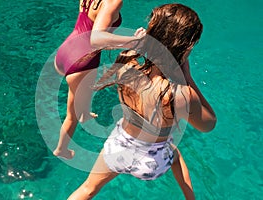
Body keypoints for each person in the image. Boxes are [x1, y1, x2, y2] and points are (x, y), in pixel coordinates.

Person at [67, 3, 216, 200]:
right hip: (151, 164)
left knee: (88, 189)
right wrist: (187, 78)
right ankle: (190, 197)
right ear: (186, 48)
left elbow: (100, 41)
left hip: (118, 148)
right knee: (175, 154)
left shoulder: (126, 63)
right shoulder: (180, 95)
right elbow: (208, 124)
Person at [53, 0, 146, 159]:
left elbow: (92, 33)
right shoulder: (114, 2)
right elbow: (96, 39)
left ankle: (85, 114)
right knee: (71, 116)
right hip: (82, 62)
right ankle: (61, 149)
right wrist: (134, 42)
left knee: (79, 95)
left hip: (65, 52)